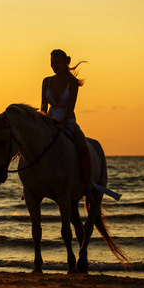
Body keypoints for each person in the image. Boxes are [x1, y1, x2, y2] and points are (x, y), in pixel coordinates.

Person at [41, 49, 96, 208]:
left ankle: (88, 187)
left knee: (83, 148)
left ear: (66, 63)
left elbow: (71, 106)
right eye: (51, 63)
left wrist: (62, 124)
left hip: (68, 121)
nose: (53, 66)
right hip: (50, 122)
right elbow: (43, 106)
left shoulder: (72, 83)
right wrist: (43, 122)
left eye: (57, 63)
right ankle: (31, 185)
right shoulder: (47, 81)